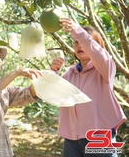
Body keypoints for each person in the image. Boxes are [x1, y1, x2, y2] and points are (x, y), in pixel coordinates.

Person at [50, 17, 127, 157]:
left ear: (95, 46)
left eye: (84, 42)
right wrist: (53, 72)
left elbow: (100, 55)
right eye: (76, 42)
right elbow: (53, 95)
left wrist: (77, 31)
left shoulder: (105, 68)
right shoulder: (69, 74)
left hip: (99, 137)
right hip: (72, 141)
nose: (79, 44)